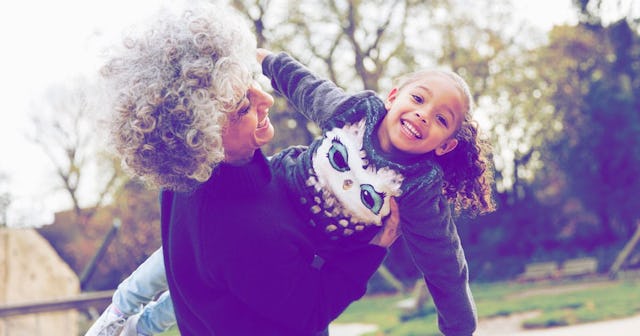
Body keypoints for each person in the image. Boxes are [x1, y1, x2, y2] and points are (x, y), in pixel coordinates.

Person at [85, 4, 400, 336]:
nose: (267, 99)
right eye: (243, 108)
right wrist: (372, 251)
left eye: (251, 81)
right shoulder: (243, 232)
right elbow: (311, 309)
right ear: (202, 138)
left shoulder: (184, 179)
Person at [256, 49, 495, 336]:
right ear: (393, 97)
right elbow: (309, 88)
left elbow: (443, 259)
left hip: (312, 256)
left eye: (441, 119)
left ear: (445, 146)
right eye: (418, 99)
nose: (423, 115)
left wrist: (460, 328)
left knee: (303, 321)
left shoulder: (417, 187)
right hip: (277, 191)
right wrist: (270, 62)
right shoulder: (354, 114)